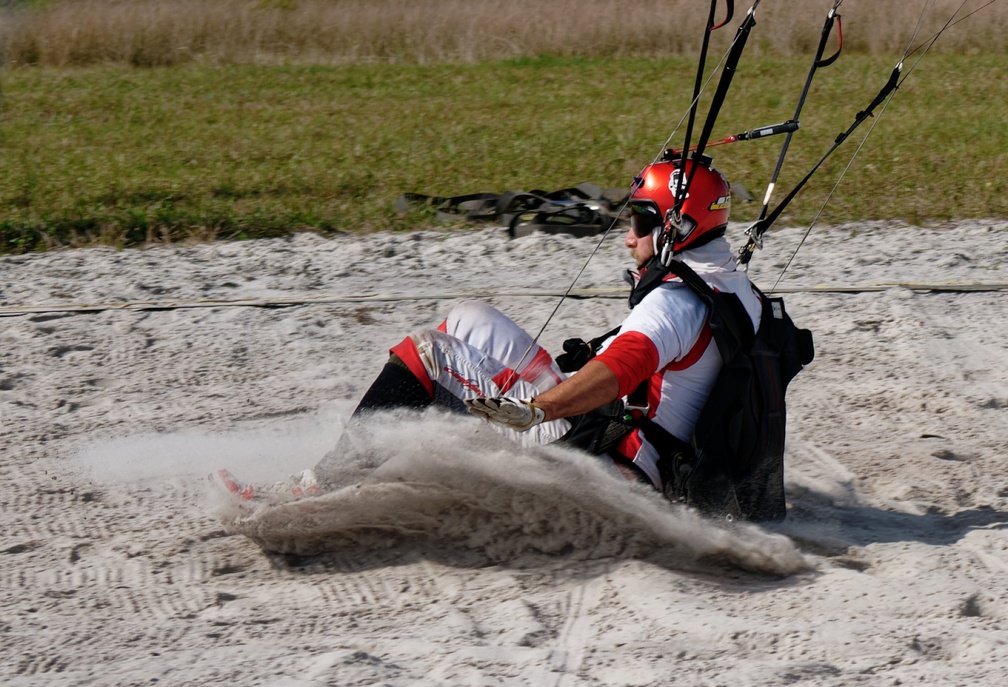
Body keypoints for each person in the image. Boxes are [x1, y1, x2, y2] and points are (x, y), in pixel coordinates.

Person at [216, 157, 763, 501]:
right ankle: (454, 443)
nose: (628, 237)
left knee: (427, 352)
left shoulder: (672, 301)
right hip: (628, 438)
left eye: (641, 222)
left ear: (677, 225)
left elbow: (624, 368)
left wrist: (538, 410)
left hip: (608, 463)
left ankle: (312, 487)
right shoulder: (735, 287)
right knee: (468, 318)